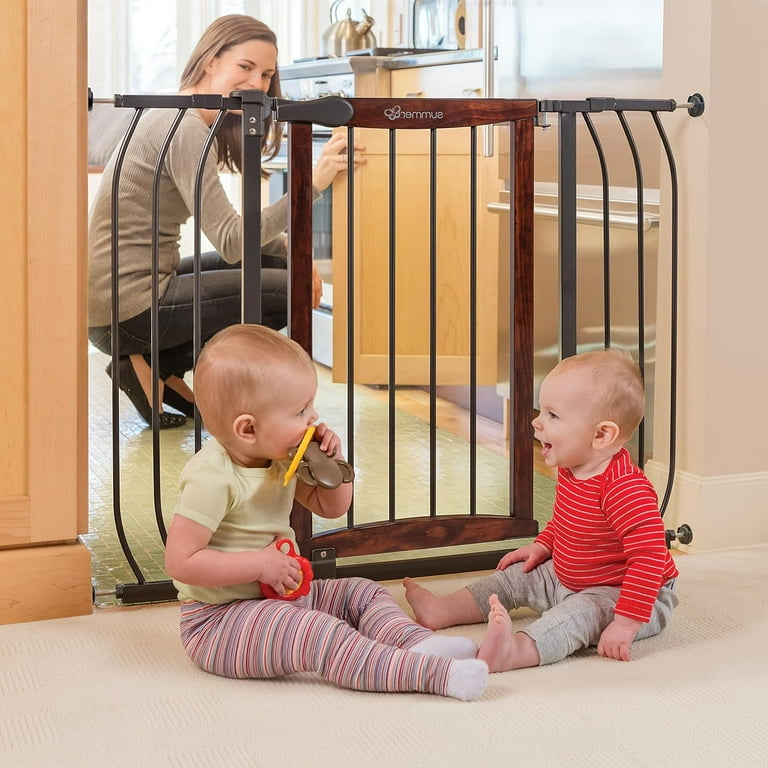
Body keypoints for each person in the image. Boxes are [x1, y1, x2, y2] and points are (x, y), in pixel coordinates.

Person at [163, 324, 489, 700]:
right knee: (318, 633)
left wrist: (333, 465)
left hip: (283, 595)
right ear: (249, 429)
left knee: (362, 593)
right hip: (218, 622)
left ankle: (414, 643)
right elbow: (181, 562)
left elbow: (332, 507)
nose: (313, 418)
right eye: (300, 410)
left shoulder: (278, 458)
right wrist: (259, 565)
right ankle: (429, 674)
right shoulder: (211, 478)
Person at [88, 15, 363, 428]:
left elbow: (239, 237)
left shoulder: (184, 115)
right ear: (209, 62)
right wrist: (314, 183)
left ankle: (151, 366)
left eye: (267, 74)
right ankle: (154, 362)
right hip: (127, 312)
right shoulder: (185, 127)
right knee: (289, 289)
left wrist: (293, 252)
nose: (257, 83)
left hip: (117, 301)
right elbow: (234, 240)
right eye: (245, 67)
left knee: (277, 266)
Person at [404, 348, 679, 672]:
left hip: (627, 592)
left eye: (552, 415)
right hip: (567, 575)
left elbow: (649, 557)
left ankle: (514, 650)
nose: (537, 420)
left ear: (602, 434)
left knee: (576, 617)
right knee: (514, 578)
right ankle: (443, 609)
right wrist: (544, 544)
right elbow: (565, 520)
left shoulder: (624, 488)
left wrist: (627, 623)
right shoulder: (571, 467)